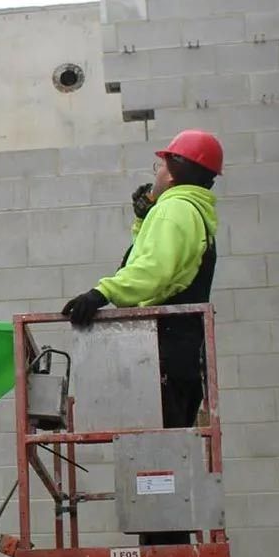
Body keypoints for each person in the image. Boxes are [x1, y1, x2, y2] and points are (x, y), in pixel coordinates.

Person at [61, 129, 221, 429]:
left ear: (172, 175)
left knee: (156, 454)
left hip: (164, 353)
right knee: (168, 453)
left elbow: (153, 270)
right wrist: (146, 217)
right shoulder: (191, 212)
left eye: (159, 166)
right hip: (180, 354)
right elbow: (157, 258)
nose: (156, 173)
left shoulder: (175, 210)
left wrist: (101, 293)